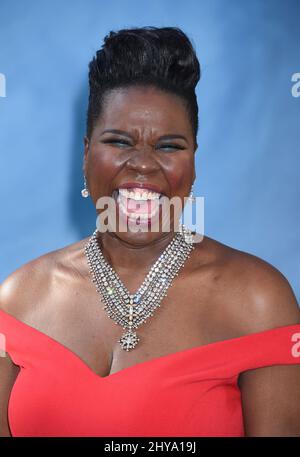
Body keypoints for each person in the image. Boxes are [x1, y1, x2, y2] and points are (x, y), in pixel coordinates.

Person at [0, 26, 300, 438]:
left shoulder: (258, 300)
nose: (143, 164)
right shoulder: (19, 300)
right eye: (120, 141)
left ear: (194, 161)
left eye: (169, 146)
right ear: (86, 154)